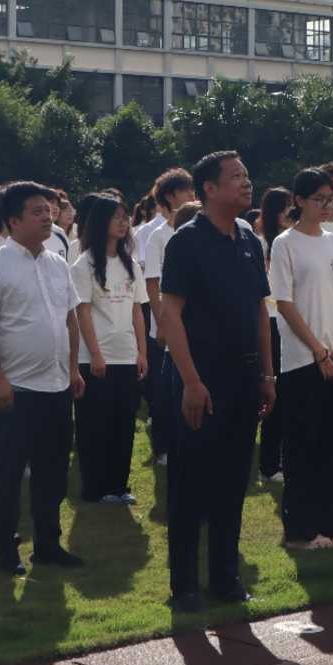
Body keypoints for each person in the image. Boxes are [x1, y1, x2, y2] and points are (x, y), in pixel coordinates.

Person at [155, 151, 277, 608]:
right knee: (190, 484)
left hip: (243, 377)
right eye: (236, 177)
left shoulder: (248, 238)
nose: (247, 183)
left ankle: (225, 578)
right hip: (200, 378)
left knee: (232, 482)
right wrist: (190, 381)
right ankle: (184, 585)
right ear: (209, 189)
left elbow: (260, 310)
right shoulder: (186, 242)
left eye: (247, 174)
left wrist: (267, 374)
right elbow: (170, 315)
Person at [0, 181, 85, 574]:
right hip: (16, 388)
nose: (47, 217)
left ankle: (48, 544)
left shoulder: (57, 263)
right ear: (13, 221)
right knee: (8, 473)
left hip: (57, 385)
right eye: (36, 212)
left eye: (48, 210)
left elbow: (70, 319)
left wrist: (73, 369)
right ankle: (7, 551)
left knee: (53, 472)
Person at [268, 169, 333, 547]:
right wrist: (318, 350)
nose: (326, 205)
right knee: (304, 446)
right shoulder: (285, 244)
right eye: (318, 199)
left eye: (330, 198)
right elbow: (284, 303)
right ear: (299, 201)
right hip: (302, 360)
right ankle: (302, 529)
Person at [72, 193, 148, 507]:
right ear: (100, 222)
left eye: (124, 216)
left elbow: (137, 310)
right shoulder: (84, 263)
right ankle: (95, 487)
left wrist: (142, 352)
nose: (123, 222)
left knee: (123, 423)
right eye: (116, 217)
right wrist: (95, 354)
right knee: (95, 425)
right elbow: (82, 312)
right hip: (96, 358)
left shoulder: (130, 264)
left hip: (126, 355)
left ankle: (118, 484)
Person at [139, 167, 197, 469]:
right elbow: (152, 282)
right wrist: (162, 321)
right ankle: (163, 447)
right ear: (171, 196)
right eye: (187, 190)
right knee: (166, 392)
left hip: (194, 324)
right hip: (167, 324)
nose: (192, 195)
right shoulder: (157, 235)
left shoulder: (199, 227)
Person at [257, 185, 295, 483]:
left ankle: (285, 457)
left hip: (291, 320)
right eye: (285, 208)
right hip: (269, 321)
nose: (291, 213)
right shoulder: (260, 244)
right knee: (274, 393)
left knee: (290, 394)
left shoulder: (293, 242)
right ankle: (269, 463)